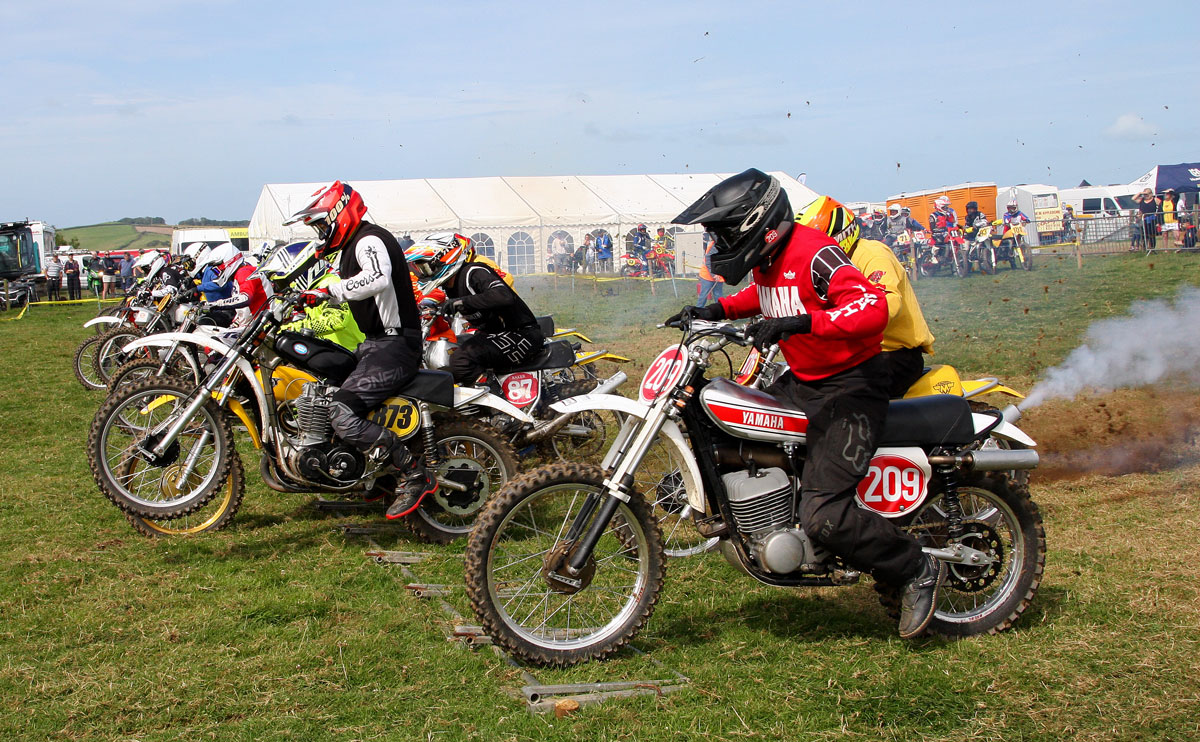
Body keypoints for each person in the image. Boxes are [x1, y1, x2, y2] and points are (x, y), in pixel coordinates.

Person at [665, 168, 943, 639]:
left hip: (852, 389)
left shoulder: (816, 251)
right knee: (733, 430)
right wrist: (714, 310)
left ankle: (916, 568)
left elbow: (872, 306)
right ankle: (764, 517)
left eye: (725, 233)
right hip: (805, 381)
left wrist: (804, 323)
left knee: (825, 517)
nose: (719, 244)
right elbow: (765, 295)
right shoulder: (769, 260)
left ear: (757, 223)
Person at [283, 181, 434, 521]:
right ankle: (377, 474)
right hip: (376, 344)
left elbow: (378, 278)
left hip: (395, 345)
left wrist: (331, 292)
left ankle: (412, 472)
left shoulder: (369, 239)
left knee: (341, 411)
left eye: (321, 224)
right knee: (330, 392)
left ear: (339, 213)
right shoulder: (354, 245)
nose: (321, 232)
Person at [798, 195, 936, 398]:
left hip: (895, 354)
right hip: (860, 352)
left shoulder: (872, 254)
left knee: (838, 393)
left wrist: (841, 322)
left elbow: (888, 304)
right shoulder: (833, 263)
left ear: (839, 235)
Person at [407, 232, 546, 388]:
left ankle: (494, 399)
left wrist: (460, 303)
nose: (423, 272)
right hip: (494, 334)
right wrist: (435, 307)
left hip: (522, 334)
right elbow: (447, 302)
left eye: (425, 267)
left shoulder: (473, 272)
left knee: (461, 360)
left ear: (444, 259)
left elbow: (504, 296)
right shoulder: (450, 286)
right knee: (449, 351)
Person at [696, 231, 725, 306]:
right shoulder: (716, 245)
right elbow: (708, 260)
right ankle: (698, 311)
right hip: (707, 276)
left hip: (718, 276)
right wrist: (714, 274)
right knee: (703, 296)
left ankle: (720, 311)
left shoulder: (724, 245)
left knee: (719, 296)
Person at [1134, 188, 1158, 252]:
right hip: (1143, 219)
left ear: (1151, 193)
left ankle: (1152, 248)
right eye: (1145, 194)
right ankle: (1144, 248)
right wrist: (1140, 193)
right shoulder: (1141, 200)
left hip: (1152, 219)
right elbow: (1133, 198)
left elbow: (1161, 206)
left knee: (1152, 235)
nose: (1146, 195)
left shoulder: (1155, 200)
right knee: (1144, 235)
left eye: (1147, 194)